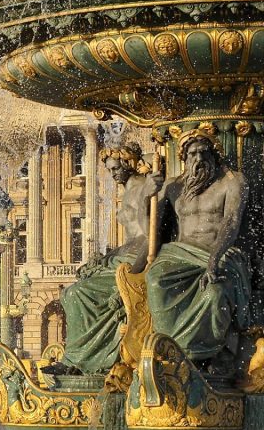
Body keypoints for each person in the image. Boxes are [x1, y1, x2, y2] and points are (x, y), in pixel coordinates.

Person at [144, 131, 249, 374]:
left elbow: (231, 222)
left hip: (218, 251)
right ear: (184, 158)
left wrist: (214, 259)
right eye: (192, 153)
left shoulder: (233, 181)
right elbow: (150, 228)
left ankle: (207, 355)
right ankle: (169, 350)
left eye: (204, 152)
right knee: (155, 280)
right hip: (181, 253)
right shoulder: (173, 187)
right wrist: (148, 193)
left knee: (215, 292)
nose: (198, 158)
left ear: (214, 155)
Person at [46, 144, 155, 376]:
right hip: (120, 257)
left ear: (129, 163)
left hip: (135, 261)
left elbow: (150, 237)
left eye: (116, 169)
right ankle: (79, 357)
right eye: (110, 170)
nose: (113, 174)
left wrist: (131, 277)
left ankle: (78, 360)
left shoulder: (146, 188)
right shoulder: (127, 190)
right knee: (69, 292)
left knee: (78, 294)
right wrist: (106, 257)